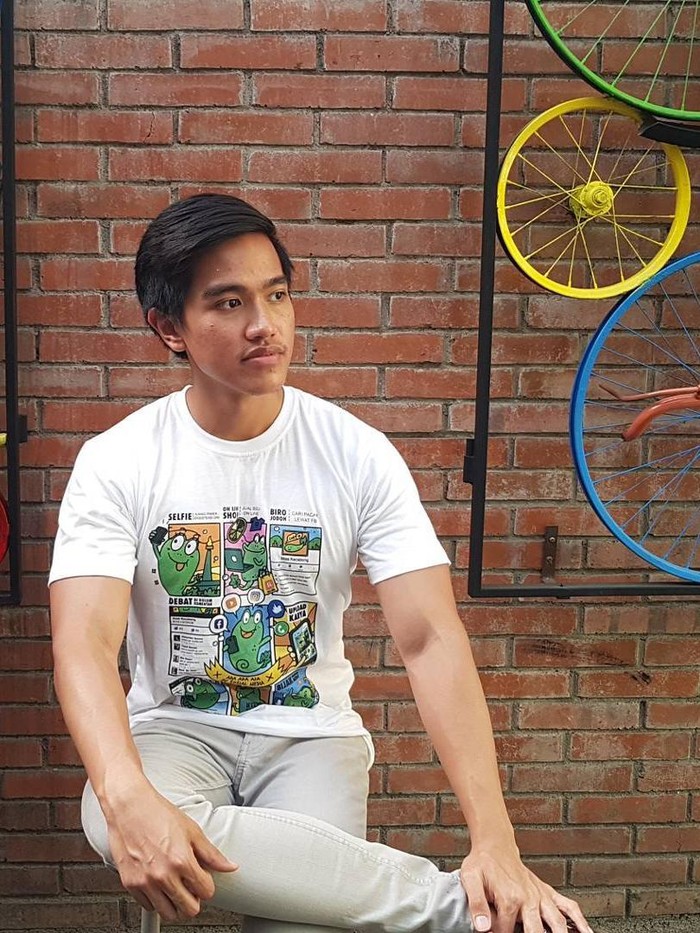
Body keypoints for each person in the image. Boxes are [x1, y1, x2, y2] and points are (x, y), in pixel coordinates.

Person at [49, 194, 592, 933]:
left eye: (276, 295)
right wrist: (126, 797)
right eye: (229, 302)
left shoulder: (356, 452)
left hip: (311, 735)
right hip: (173, 729)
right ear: (168, 328)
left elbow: (430, 639)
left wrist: (496, 842)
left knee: (300, 921)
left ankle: (472, 897)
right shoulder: (118, 460)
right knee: (110, 810)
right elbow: (83, 643)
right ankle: (458, 911)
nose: (263, 324)